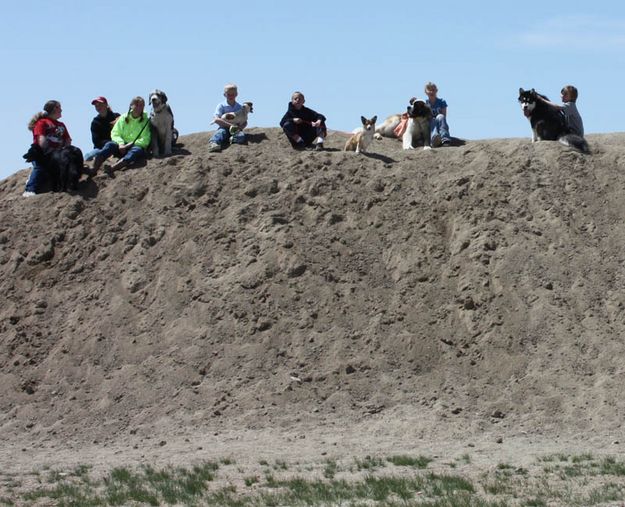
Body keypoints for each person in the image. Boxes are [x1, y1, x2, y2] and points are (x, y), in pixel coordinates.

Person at [92, 96, 151, 177]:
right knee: (110, 145)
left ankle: (112, 168)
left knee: (136, 151)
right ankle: (94, 169)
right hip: (121, 147)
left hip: (135, 147)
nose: (139, 108)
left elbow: (146, 139)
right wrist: (121, 144)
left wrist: (131, 144)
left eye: (141, 105)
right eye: (136, 105)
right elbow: (115, 133)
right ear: (131, 106)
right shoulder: (123, 117)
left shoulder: (146, 119)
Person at [23, 100, 71, 197]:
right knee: (40, 168)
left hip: (57, 154)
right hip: (42, 153)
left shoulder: (61, 125)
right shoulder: (42, 122)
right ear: (54, 109)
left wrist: (66, 150)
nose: (61, 110)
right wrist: (45, 150)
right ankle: (30, 189)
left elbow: (67, 139)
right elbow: (41, 137)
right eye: (59, 107)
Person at [207, 84, 247, 152]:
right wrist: (231, 126)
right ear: (224, 94)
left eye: (233, 94)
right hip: (224, 127)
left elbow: (245, 121)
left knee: (241, 136)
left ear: (236, 94)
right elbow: (216, 119)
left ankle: (231, 140)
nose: (231, 96)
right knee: (220, 132)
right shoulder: (221, 105)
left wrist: (240, 127)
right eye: (228, 94)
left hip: (236, 129)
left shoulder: (240, 107)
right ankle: (213, 143)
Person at [84, 96, 120, 161]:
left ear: (106, 104)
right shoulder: (95, 122)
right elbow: (96, 141)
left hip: (117, 145)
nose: (98, 107)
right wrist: (108, 143)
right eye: (96, 106)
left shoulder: (117, 117)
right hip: (101, 148)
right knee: (88, 156)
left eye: (100, 104)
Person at [423, 82, 451, 147]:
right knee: (432, 119)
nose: (431, 92)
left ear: (436, 90)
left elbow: (444, 116)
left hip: (440, 125)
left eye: (433, 89)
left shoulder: (441, 102)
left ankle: (445, 139)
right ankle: (434, 139)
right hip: (430, 127)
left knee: (440, 116)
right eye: (429, 90)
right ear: (425, 92)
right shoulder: (424, 104)